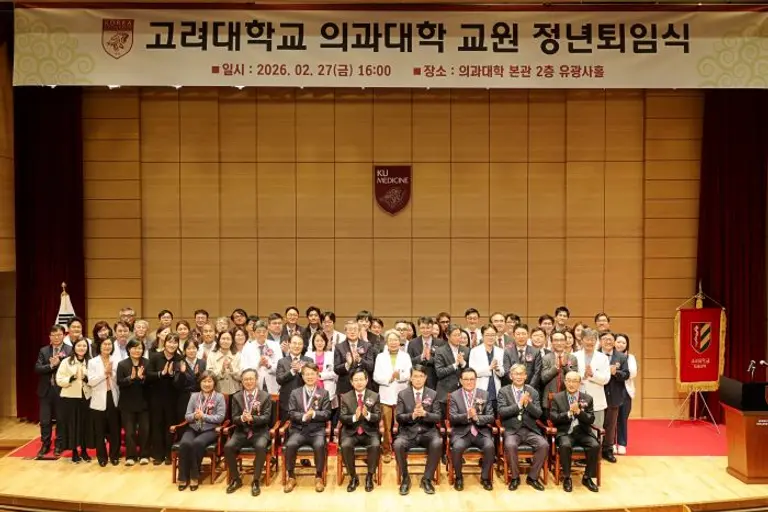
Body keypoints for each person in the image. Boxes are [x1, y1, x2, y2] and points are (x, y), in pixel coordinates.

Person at [393, 365, 442, 496]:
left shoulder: (433, 394)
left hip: (428, 432)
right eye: (415, 376)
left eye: (421, 376)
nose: (418, 379)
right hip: (408, 432)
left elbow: (438, 417)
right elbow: (399, 417)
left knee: (437, 442)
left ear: (425, 378)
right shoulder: (403, 394)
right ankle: (405, 478)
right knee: (398, 444)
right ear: (411, 378)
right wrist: (412, 416)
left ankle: (427, 479)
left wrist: (425, 414)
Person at [497, 364, 548, 491]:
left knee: (544, 445)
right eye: (516, 374)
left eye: (521, 374)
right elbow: (502, 412)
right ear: (511, 376)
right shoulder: (503, 391)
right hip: (512, 430)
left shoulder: (533, 392)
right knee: (510, 445)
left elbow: (538, 413)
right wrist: (519, 405)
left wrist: (528, 404)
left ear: (525, 376)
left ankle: (533, 477)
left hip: (530, 429)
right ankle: (515, 478)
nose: (519, 376)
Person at [283, 363, 332, 493]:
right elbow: (291, 413)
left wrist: (314, 414)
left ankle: (319, 476)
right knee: (290, 444)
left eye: (312, 374)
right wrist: (304, 416)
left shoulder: (324, 393)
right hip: (298, 430)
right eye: (307, 374)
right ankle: (291, 476)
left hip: (317, 430)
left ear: (317, 375)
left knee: (320, 445)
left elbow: (327, 413)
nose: (310, 377)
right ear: (303, 376)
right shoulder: (295, 393)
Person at [224, 369, 273, 496]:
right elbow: (234, 418)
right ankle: (236, 479)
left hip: (260, 431)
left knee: (260, 446)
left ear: (256, 380)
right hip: (241, 431)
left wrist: (253, 418)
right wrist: (242, 418)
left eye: (251, 379)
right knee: (228, 447)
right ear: (242, 381)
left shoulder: (265, 396)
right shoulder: (236, 396)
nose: (248, 382)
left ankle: (256, 480)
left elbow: (267, 418)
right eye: (246, 379)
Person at [550, 371, 600, 493]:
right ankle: (567, 477)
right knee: (565, 445)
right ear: (565, 382)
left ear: (579, 383)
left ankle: (587, 477)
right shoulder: (557, 397)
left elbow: (591, 419)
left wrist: (579, 412)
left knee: (595, 445)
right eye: (569, 381)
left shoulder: (587, 398)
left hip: (583, 432)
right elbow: (553, 417)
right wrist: (568, 413)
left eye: (574, 381)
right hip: (565, 432)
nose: (571, 384)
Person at [177, 371, 226, 491]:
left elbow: (220, 417)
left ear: (214, 383)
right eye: (204, 381)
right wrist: (195, 415)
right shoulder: (194, 396)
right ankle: (183, 477)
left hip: (210, 429)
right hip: (193, 428)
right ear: (200, 383)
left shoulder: (219, 397)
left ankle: (194, 476)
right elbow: (187, 416)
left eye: (209, 381)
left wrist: (204, 416)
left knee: (197, 443)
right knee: (184, 444)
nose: (207, 384)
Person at [448, 367, 495, 491]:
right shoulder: (454, 396)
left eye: (472, 379)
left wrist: (476, 417)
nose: (469, 382)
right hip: (462, 433)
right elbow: (452, 418)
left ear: (476, 380)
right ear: (461, 381)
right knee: (457, 447)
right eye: (466, 379)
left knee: (490, 446)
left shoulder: (484, 394)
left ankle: (485, 478)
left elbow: (491, 417)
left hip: (481, 432)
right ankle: (459, 477)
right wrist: (467, 416)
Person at [339, 369, 381, 493]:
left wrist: (367, 414)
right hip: (351, 432)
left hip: (369, 431)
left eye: (361, 379)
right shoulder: (345, 397)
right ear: (351, 382)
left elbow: (378, 417)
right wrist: (354, 417)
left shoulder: (374, 396)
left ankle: (369, 476)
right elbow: (342, 417)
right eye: (356, 380)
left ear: (366, 380)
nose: (359, 382)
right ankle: (353, 477)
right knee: (345, 445)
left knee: (375, 445)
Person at [373, 329, 412, 464]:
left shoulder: (405, 356)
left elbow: (409, 374)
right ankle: (386, 450)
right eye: (391, 340)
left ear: (399, 341)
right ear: (386, 342)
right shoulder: (380, 357)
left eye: (396, 340)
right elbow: (376, 376)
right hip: (386, 394)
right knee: (386, 426)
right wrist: (388, 379)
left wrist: (399, 376)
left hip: (402, 394)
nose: (393, 343)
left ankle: (401, 449)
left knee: (403, 423)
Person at [35, 324, 71, 458]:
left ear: (64, 335)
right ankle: (45, 444)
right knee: (45, 420)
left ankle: (59, 445)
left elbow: (70, 369)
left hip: (62, 390)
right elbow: (38, 368)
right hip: (46, 391)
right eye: (53, 335)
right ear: (49, 337)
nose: (56, 337)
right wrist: (51, 365)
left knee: (61, 419)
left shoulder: (69, 350)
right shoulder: (44, 351)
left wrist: (58, 364)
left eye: (59, 335)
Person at [56, 337, 92, 463]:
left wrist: (86, 378)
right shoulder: (66, 362)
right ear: (74, 347)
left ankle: (84, 450)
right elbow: (59, 380)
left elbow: (95, 379)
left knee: (84, 425)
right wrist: (72, 377)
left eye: (84, 346)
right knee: (72, 425)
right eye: (79, 346)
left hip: (86, 398)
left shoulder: (91, 362)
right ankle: (74, 451)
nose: (82, 348)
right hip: (70, 398)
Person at [147, 332, 182, 465]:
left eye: (175, 342)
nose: (172, 345)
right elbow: (147, 375)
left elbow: (181, 380)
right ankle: (158, 455)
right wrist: (161, 374)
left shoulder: (179, 359)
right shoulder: (155, 357)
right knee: (157, 425)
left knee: (170, 426)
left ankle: (169, 454)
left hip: (173, 399)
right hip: (156, 397)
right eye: (170, 342)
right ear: (165, 342)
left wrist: (172, 375)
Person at [88, 336, 121, 466]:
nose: (107, 347)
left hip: (113, 396)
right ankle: (102, 457)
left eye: (109, 344)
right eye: (104, 344)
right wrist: (105, 373)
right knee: (99, 430)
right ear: (100, 346)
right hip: (98, 398)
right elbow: (91, 381)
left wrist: (111, 374)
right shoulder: (93, 362)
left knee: (115, 429)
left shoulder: (116, 361)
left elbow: (119, 380)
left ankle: (114, 455)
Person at [116, 338, 150, 465]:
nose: (137, 350)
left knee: (144, 431)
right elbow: (119, 382)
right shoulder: (122, 364)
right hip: (127, 403)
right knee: (129, 432)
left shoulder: (147, 363)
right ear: (129, 349)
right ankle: (131, 456)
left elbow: (151, 383)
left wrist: (142, 378)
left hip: (144, 402)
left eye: (140, 348)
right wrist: (130, 378)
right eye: (134, 348)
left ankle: (144, 455)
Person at [599, 331, 629, 463]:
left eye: (610, 339)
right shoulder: (596, 355)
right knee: (596, 423)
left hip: (614, 395)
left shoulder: (621, 357)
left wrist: (616, 372)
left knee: (611, 425)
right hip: (597, 394)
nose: (608, 341)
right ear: (600, 341)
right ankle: (595, 450)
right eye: (605, 339)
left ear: (614, 342)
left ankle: (608, 450)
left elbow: (626, 374)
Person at [540, 331, 578, 420]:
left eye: (561, 340)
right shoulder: (546, 358)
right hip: (549, 400)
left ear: (565, 341)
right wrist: (556, 368)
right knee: (549, 426)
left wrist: (565, 367)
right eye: (556, 340)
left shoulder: (572, 358)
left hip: (567, 400)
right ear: (552, 342)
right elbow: (543, 378)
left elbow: (575, 378)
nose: (559, 343)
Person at [275, 335, 313, 422]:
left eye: (300, 344)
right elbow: (279, 380)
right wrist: (292, 371)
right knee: (285, 427)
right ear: (289, 344)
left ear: (303, 345)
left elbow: (312, 379)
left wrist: (300, 370)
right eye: (294, 343)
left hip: (305, 401)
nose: (297, 346)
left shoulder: (309, 361)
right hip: (286, 403)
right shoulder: (282, 361)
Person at [468, 324, 505, 413]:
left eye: (493, 335)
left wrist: (497, 369)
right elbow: (473, 372)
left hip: (496, 390)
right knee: (480, 416)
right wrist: (489, 368)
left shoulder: (500, 351)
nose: (490, 337)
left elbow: (503, 372)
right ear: (482, 336)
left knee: (495, 416)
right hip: (480, 390)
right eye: (487, 335)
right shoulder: (475, 351)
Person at [334, 321, 375, 396]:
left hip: (363, 386)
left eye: (355, 329)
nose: (352, 332)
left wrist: (360, 360)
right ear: (345, 331)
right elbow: (336, 369)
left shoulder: (367, 346)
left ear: (359, 331)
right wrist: (347, 364)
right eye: (350, 329)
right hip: (345, 387)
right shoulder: (339, 347)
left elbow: (370, 367)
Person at [434, 324, 471, 407]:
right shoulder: (440, 351)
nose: (458, 338)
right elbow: (439, 372)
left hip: (463, 392)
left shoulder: (466, 350)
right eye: (455, 335)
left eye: (459, 335)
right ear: (447, 336)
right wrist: (455, 365)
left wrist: (463, 363)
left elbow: (470, 371)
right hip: (445, 393)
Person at [615, 333, 637, 455]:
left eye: (623, 342)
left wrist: (616, 371)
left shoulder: (630, 357)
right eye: (618, 342)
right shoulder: (610, 356)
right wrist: (622, 372)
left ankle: (622, 443)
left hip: (625, 390)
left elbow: (632, 373)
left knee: (623, 417)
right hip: (612, 389)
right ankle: (611, 443)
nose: (621, 344)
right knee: (611, 418)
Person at [407, 316, 443, 391]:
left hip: (435, 381)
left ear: (432, 328)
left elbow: (442, 362)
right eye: (423, 328)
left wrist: (430, 359)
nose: (425, 330)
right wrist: (421, 357)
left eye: (428, 328)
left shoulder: (440, 343)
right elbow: (409, 362)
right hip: (417, 381)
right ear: (419, 328)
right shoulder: (412, 343)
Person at [502, 324, 542, 388]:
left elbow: (537, 372)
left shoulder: (535, 352)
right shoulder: (508, 352)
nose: (521, 336)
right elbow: (507, 371)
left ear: (528, 335)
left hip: (531, 388)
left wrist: (529, 388)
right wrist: (517, 386)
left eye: (523, 334)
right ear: (514, 336)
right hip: (512, 388)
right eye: (518, 334)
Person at [208, 330, 242, 396]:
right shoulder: (212, 355)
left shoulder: (237, 355)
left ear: (232, 341)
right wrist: (222, 370)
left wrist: (232, 370)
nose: (225, 341)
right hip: (217, 391)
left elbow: (241, 376)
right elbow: (209, 376)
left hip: (235, 391)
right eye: (223, 339)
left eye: (228, 339)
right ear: (219, 340)